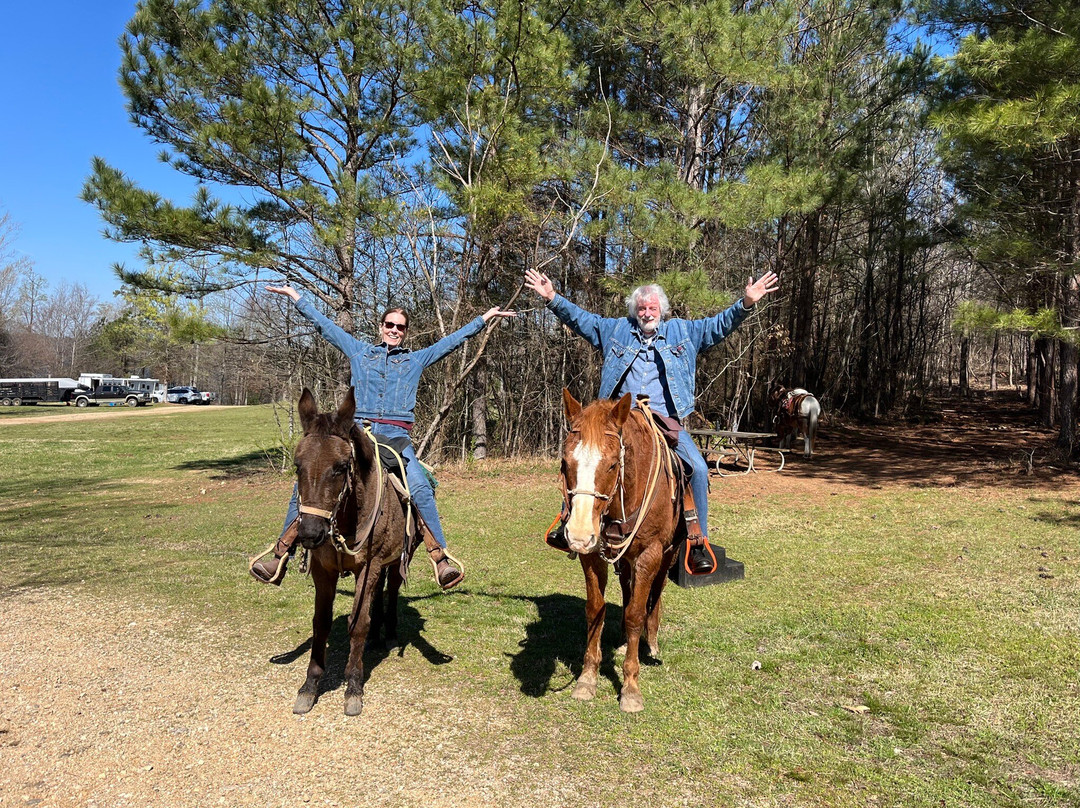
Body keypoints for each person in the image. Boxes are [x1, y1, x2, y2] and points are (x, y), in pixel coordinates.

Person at [250, 285, 515, 589]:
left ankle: (439, 559)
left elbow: (451, 342)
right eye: (389, 325)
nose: (394, 330)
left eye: (400, 327)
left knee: (419, 487)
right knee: (310, 482)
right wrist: (297, 299)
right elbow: (325, 326)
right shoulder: (359, 352)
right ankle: (280, 554)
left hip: (396, 439)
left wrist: (484, 318)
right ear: (381, 327)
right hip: (359, 434)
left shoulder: (416, 360)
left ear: (406, 332)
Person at [524, 269, 779, 573]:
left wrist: (746, 303)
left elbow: (718, 326)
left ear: (662, 310)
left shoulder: (683, 332)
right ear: (635, 311)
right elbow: (582, 319)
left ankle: (697, 542)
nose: (647, 313)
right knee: (586, 458)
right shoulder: (615, 330)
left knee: (697, 468)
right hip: (619, 419)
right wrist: (552, 298)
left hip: (663, 418)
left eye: (652, 308)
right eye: (642, 308)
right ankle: (568, 520)